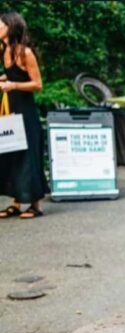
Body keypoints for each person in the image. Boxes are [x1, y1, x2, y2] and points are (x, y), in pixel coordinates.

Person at [0, 11, 46, 219]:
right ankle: (17, 202)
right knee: (12, 152)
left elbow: (38, 84)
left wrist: (13, 84)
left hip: (26, 111)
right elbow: (12, 76)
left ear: (11, 27)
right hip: (10, 107)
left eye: (0, 25)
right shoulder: (4, 51)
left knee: (28, 155)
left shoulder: (25, 52)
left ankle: (35, 204)